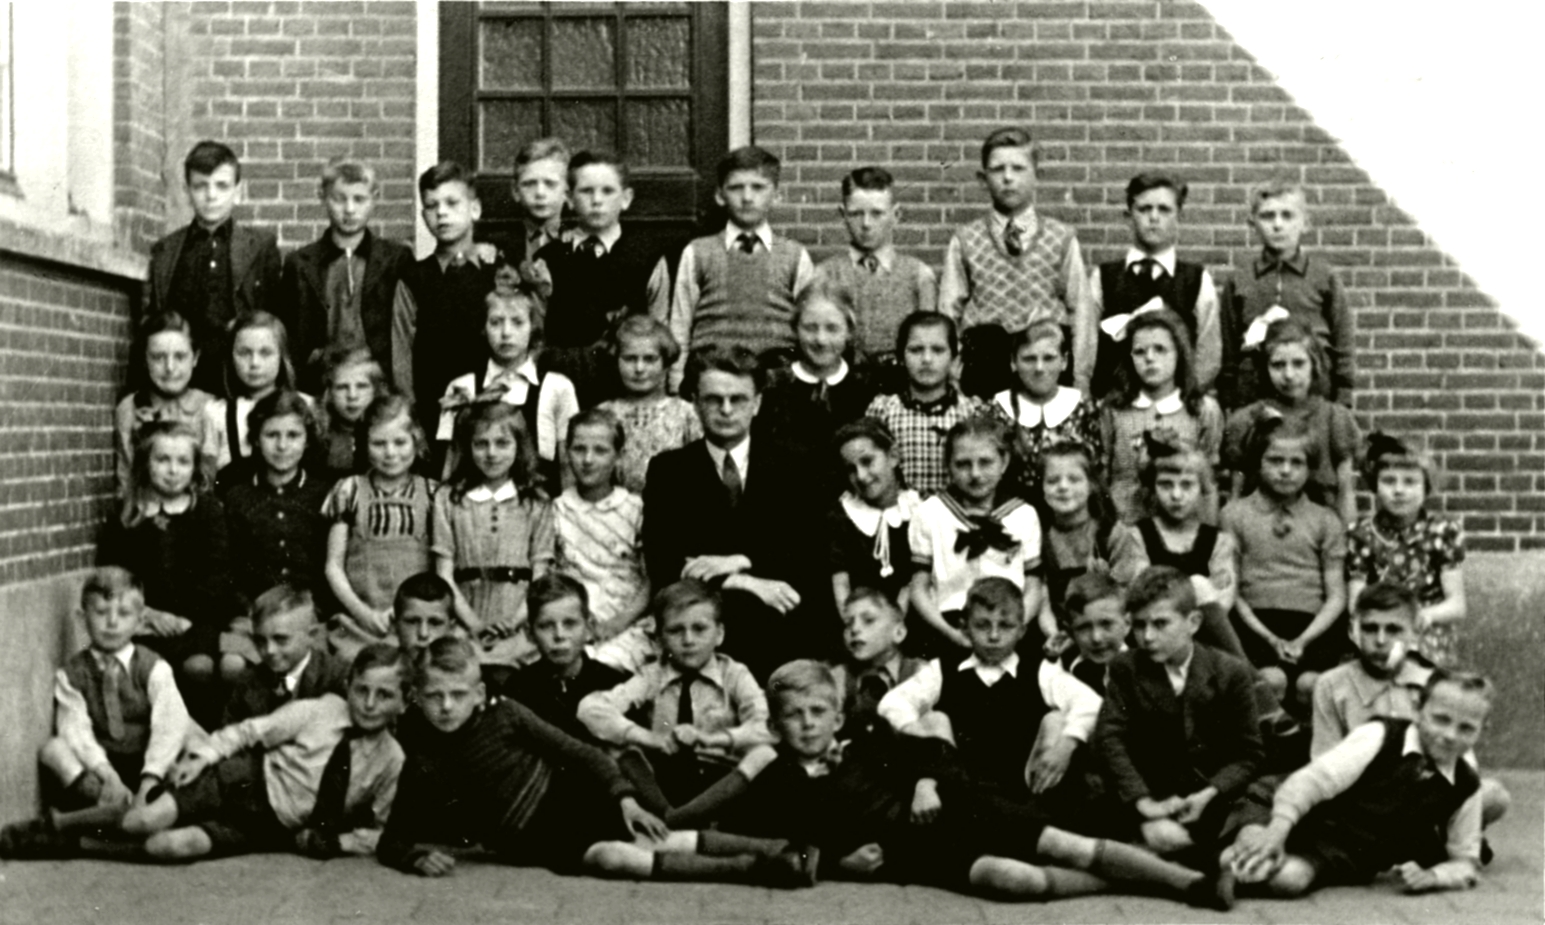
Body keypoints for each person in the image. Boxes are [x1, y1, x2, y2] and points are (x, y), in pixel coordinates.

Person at [720, 660, 1234, 908]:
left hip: (962, 807)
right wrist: (838, 864)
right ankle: (1142, 873)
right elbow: (774, 847)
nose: (808, 724)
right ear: (775, 726)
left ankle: (1191, 884)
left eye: (818, 712)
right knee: (1016, 881)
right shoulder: (778, 780)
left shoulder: (868, 742)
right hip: (917, 854)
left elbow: (935, 752)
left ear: (837, 716)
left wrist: (925, 783)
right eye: (794, 716)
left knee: (1065, 846)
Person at [380, 637, 811, 887]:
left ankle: (778, 851)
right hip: (533, 842)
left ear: (478, 694)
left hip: (571, 799)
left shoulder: (505, 714)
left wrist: (625, 799)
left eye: (458, 694)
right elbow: (392, 839)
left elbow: (580, 751)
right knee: (615, 860)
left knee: (659, 837)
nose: (446, 706)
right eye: (434, 696)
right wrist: (415, 857)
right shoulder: (422, 759)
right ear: (416, 697)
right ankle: (751, 870)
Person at [118, 643, 408, 862]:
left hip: (271, 826)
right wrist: (201, 757)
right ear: (348, 685)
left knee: (167, 847)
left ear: (404, 702)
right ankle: (90, 829)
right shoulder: (322, 710)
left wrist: (344, 842)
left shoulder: (392, 760)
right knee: (143, 821)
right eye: (362, 690)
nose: (370, 704)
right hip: (243, 781)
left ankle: (98, 842)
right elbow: (250, 731)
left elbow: (386, 829)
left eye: (384, 695)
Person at [1220, 670, 1494, 898]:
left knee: (1289, 879)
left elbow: (1466, 860)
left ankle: (1226, 870)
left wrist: (1434, 876)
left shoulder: (1466, 784)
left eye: (1466, 728)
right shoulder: (1381, 735)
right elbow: (1313, 781)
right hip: (1305, 816)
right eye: (1441, 719)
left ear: (1482, 730)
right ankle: (1211, 867)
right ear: (1419, 709)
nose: (1450, 735)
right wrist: (1277, 831)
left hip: (1347, 854)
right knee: (1252, 847)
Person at [643, 344, 829, 678]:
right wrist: (741, 581)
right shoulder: (669, 471)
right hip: (702, 632)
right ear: (695, 403)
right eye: (714, 399)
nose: (726, 410)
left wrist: (742, 559)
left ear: (756, 403)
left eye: (738, 399)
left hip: (781, 626)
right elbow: (664, 562)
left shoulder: (795, 464)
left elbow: (807, 551)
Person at [0, 568, 192, 859]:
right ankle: (111, 811)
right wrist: (106, 774)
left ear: (140, 621)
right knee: (54, 749)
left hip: (147, 766)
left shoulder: (154, 667)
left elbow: (169, 725)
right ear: (82, 618)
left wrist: (150, 778)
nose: (112, 623)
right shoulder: (73, 674)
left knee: (186, 737)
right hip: (102, 770)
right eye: (101, 612)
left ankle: (88, 822)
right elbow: (75, 730)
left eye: (124, 614)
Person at [1094, 566, 1262, 863]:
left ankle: (1185, 861)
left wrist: (1209, 793)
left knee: (1247, 830)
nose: (1147, 637)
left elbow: (1249, 754)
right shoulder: (1126, 669)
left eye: (1161, 624)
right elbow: (1110, 738)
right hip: (1152, 795)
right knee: (1162, 837)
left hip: (1213, 796)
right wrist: (1143, 802)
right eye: (1139, 625)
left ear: (1193, 622)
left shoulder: (1230, 672)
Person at [879, 576, 1099, 801]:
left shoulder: (1039, 669)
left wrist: (1067, 744)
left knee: (1057, 721)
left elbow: (1091, 704)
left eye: (1005, 626)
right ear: (965, 628)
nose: (994, 636)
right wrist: (921, 738)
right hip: (960, 792)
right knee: (934, 718)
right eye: (983, 625)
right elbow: (892, 704)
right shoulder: (943, 669)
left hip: (1025, 791)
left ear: (1022, 630)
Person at [1310, 583, 1509, 828]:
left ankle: (1439, 835)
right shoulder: (1331, 684)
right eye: (1370, 629)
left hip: (1423, 793)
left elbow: (1461, 759)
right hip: (1365, 798)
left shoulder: (1433, 683)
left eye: (1393, 630)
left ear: (1415, 632)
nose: (1380, 640)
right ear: (1354, 630)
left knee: (1492, 796)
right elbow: (1324, 760)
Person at [577, 580, 773, 805]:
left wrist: (711, 739)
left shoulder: (734, 674)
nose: (688, 640)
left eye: (699, 629)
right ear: (660, 639)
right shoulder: (652, 675)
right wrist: (650, 738)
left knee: (765, 754)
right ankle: (669, 815)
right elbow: (590, 709)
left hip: (723, 781)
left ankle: (687, 820)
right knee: (613, 748)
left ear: (719, 634)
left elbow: (767, 726)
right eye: (675, 631)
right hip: (665, 780)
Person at [938, 127, 1095, 398]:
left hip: (1044, 364)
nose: (1008, 177)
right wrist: (951, 373)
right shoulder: (965, 240)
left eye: (1018, 168)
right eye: (998, 169)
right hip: (985, 366)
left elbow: (1081, 310)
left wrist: (1081, 376)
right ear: (983, 179)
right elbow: (948, 313)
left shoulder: (1061, 238)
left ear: (1037, 175)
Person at [99, 422, 241, 713]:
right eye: (163, 460)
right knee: (157, 667)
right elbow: (112, 577)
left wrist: (183, 618)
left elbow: (219, 575)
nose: (173, 470)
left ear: (195, 467)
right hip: (144, 621)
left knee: (200, 666)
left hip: (197, 620)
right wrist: (149, 613)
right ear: (145, 463)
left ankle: (202, 730)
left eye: (183, 461)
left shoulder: (207, 512)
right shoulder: (127, 516)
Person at [1221, 416, 1348, 709]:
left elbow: (1336, 595)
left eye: (1297, 462)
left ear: (1310, 467)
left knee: (1311, 685)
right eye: (1275, 460)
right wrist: (1269, 637)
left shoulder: (1325, 519)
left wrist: (1303, 640)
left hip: (1314, 625)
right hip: (1254, 621)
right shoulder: (1235, 515)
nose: (1286, 470)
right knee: (1270, 680)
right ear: (1258, 462)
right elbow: (1231, 589)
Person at [666, 145, 816, 391]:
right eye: (736, 188)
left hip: (777, 376)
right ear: (720, 195)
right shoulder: (698, 252)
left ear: (776, 195)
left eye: (758, 187)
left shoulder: (795, 255)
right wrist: (675, 382)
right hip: (712, 374)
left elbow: (809, 323)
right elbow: (680, 323)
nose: (747, 197)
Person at [531, 149, 671, 406]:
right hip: (563, 388)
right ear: (569, 199)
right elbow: (535, 334)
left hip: (628, 391)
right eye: (586, 191)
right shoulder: (549, 259)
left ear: (626, 198)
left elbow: (660, 331)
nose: (597, 200)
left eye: (607, 191)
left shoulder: (647, 259)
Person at [144, 140, 282, 395]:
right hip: (182, 380)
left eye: (221, 186)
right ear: (187, 191)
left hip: (241, 379)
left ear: (237, 190)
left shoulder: (260, 247)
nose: (211, 195)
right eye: (200, 186)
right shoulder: (166, 251)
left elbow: (275, 321)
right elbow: (152, 324)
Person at [280, 156, 417, 395]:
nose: (350, 209)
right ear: (322, 197)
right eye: (339, 199)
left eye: (359, 199)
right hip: (320, 385)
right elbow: (292, 336)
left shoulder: (396, 259)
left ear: (374, 198)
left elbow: (406, 330)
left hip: (381, 386)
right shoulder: (300, 263)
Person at [432, 401, 554, 668]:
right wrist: (474, 624)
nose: (491, 453)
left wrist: (514, 621)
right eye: (481, 444)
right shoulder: (448, 499)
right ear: (468, 447)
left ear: (519, 446)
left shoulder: (536, 501)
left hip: (519, 615)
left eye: (502, 443)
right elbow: (444, 574)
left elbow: (540, 574)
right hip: (465, 614)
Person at [907, 417, 1043, 657]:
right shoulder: (930, 513)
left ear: (1004, 462)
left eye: (985, 462)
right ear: (948, 465)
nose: (975, 474)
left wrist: (1013, 630)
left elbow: (1034, 587)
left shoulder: (1023, 515)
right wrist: (949, 632)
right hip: (949, 627)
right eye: (963, 464)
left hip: (1009, 626)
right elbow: (919, 588)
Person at [1219, 180, 1353, 410]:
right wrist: (1229, 397)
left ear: (1305, 223)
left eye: (1287, 215)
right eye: (1267, 216)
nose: (1277, 224)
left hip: (1315, 395)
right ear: (1253, 223)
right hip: (1255, 396)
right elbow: (1229, 348)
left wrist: (1344, 395)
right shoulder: (1239, 280)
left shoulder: (1324, 277)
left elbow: (1343, 342)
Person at [322, 395, 436, 659]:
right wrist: (364, 614)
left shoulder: (433, 494)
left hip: (421, 623)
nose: (390, 453)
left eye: (400, 442)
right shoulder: (349, 490)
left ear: (417, 441)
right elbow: (333, 566)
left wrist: (410, 614)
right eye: (379, 443)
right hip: (362, 621)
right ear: (364, 444)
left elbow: (439, 567)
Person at [1089, 172, 1221, 400]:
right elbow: (1087, 347)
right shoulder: (1104, 277)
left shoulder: (1196, 280)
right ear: (1129, 216)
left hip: (1178, 405)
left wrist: (1184, 399)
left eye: (1164, 209)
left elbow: (1209, 354)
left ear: (1179, 216)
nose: (1154, 217)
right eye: (1144, 209)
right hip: (1116, 404)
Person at [435, 289, 579, 493]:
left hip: (539, 502)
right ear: (484, 328)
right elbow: (451, 462)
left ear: (533, 328)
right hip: (475, 504)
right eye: (495, 322)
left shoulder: (557, 387)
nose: (506, 333)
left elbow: (566, 463)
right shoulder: (463, 387)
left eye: (518, 322)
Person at [1346, 432, 1467, 668]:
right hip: (1378, 627)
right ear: (1375, 485)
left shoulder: (1442, 532)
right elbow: (1356, 602)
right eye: (1389, 481)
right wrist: (1380, 622)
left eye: (1410, 482)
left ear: (1426, 487)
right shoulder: (1361, 535)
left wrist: (1420, 617)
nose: (1399, 491)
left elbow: (1457, 605)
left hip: (1424, 629)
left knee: (1411, 663)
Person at [1222, 318, 1358, 522]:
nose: (1289, 374)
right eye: (1278, 365)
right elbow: (1236, 494)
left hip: (1319, 527)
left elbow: (1345, 490)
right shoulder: (1246, 421)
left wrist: (1346, 532)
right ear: (1265, 368)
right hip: (1260, 527)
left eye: (1298, 364)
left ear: (1314, 364)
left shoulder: (1334, 419)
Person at [1121, 441, 1245, 659]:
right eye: (1166, 485)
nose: (1176, 495)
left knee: (1200, 584)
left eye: (1187, 485)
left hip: (1204, 640)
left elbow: (1221, 602)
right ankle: (1246, 672)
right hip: (1153, 638)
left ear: (1202, 489)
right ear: (1152, 488)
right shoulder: (1137, 535)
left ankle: (1239, 670)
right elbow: (1141, 594)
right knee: (1196, 584)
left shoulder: (1218, 541)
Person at [1099, 307, 1222, 524]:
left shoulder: (1203, 409)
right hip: (1126, 522)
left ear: (1179, 353)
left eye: (1160, 349)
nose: (1150, 358)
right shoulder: (1114, 410)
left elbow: (1208, 478)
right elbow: (1103, 473)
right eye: (1140, 352)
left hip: (1182, 524)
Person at [552, 409, 652, 674]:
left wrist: (616, 624)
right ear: (567, 452)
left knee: (603, 668)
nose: (588, 460)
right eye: (579, 449)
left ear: (618, 455)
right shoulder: (556, 510)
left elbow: (650, 580)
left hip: (626, 624)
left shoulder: (636, 509)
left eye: (600, 450)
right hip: (571, 625)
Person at [814, 166, 937, 380]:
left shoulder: (919, 275)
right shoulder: (824, 274)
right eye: (856, 214)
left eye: (877, 213)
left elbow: (928, 342)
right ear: (843, 214)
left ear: (896, 215)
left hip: (900, 385)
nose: (866, 224)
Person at [407, 161, 500, 436]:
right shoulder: (413, 278)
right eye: (432, 206)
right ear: (423, 216)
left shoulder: (497, 269)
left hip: (492, 403)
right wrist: (411, 415)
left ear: (475, 209)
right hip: (432, 405)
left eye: (452, 203)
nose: (441, 213)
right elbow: (401, 350)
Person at [756, 279, 877, 482]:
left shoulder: (865, 387)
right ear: (795, 328)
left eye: (832, 328)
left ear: (849, 331)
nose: (821, 339)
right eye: (810, 328)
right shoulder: (774, 387)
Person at [222, 390, 331, 614]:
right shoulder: (237, 497)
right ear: (256, 439)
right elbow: (230, 569)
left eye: (293, 435)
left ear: (307, 440)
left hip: (313, 614)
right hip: (255, 614)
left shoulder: (325, 494)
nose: (282, 446)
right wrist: (248, 610)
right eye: (272, 435)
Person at [863, 311, 985, 499]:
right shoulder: (883, 410)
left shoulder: (971, 411)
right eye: (916, 350)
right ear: (901, 356)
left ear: (954, 357)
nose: (927, 359)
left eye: (938, 350)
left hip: (954, 512)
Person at [1033, 441, 1139, 656]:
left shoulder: (1111, 534)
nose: (1063, 487)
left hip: (1109, 636)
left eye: (1074, 479)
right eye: (1052, 481)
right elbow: (1043, 602)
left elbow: (1126, 596)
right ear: (1042, 488)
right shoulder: (1039, 538)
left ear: (1092, 485)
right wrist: (1054, 634)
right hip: (1061, 636)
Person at [500, 573, 630, 742]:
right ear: (529, 633)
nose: (559, 635)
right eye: (546, 626)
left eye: (570, 624)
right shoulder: (517, 689)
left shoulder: (614, 684)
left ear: (589, 627)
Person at [989, 320, 1103, 501]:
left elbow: (1098, 472)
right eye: (1029, 359)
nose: (1039, 368)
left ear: (1064, 361)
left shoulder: (1086, 410)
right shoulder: (995, 411)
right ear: (1013, 362)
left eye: (1049, 358)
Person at [595, 314, 703, 494]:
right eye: (630, 359)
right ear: (616, 361)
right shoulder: (604, 414)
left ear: (666, 363)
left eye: (650, 359)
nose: (639, 368)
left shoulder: (687, 415)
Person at [114, 311, 216, 500]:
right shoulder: (129, 408)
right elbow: (127, 481)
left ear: (195, 358)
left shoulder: (211, 407)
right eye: (158, 357)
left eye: (180, 357)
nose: (169, 367)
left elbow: (214, 478)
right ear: (145, 359)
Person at [828, 419, 920, 622]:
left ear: (893, 456)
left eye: (867, 461)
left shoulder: (917, 511)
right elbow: (841, 584)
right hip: (857, 624)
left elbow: (912, 582)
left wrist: (892, 628)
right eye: (851, 469)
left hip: (907, 624)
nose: (861, 476)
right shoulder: (841, 517)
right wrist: (856, 626)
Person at [222, 585, 348, 726]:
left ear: (311, 635)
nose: (269, 650)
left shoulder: (337, 678)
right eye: (260, 641)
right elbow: (230, 729)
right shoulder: (249, 681)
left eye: (280, 639)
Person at [204, 311, 306, 478]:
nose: (254, 363)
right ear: (231, 357)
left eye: (265, 353)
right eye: (244, 353)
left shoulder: (306, 406)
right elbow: (209, 474)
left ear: (282, 356)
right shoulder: (216, 412)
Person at [833, 587, 923, 741]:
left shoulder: (919, 673)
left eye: (868, 620)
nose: (854, 629)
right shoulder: (839, 677)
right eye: (848, 623)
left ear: (898, 633)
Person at [314, 346, 386, 483]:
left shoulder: (391, 435)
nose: (352, 396)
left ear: (375, 390)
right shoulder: (320, 440)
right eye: (342, 387)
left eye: (361, 386)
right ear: (329, 393)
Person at [1061, 572, 1130, 696]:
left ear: (1127, 623)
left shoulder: (1146, 670)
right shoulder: (1069, 674)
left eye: (1106, 624)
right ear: (1071, 633)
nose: (1096, 638)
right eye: (1084, 628)